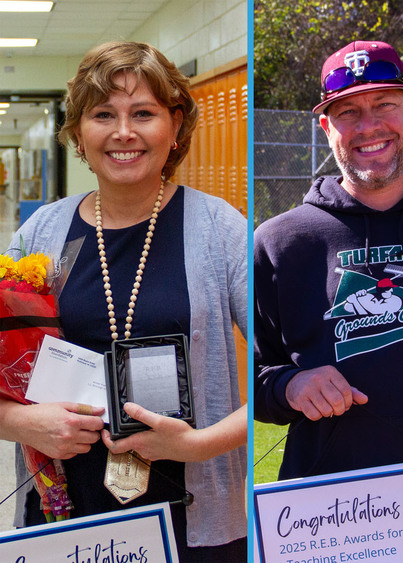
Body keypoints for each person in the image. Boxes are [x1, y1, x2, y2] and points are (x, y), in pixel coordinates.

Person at [0, 41, 248, 560]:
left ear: (175, 126)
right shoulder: (41, 235)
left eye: (143, 113)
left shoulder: (218, 229)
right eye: (103, 115)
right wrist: (20, 423)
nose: (123, 133)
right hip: (61, 517)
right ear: (79, 134)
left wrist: (196, 445)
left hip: (193, 522)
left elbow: (286, 366)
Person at [253, 40, 403, 562]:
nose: (368, 126)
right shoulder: (281, 242)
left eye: (385, 105)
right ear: (326, 128)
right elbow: (251, 376)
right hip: (327, 521)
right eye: (348, 112)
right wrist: (292, 384)